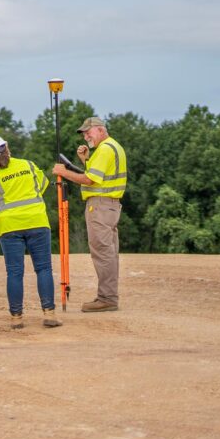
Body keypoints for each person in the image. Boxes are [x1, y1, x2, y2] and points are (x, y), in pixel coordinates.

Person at [0, 135, 61, 330]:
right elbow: (42, 186)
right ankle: (49, 314)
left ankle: (16, 318)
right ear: (7, 147)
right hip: (37, 222)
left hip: (9, 228)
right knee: (43, 268)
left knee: (14, 272)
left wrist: (2, 218)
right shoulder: (29, 165)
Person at [51, 116, 127, 312]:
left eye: (88, 132)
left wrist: (63, 171)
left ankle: (107, 298)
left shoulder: (104, 150)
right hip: (109, 206)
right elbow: (98, 175)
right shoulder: (112, 146)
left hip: (100, 207)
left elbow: (90, 180)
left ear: (101, 130)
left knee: (102, 253)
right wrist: (85, 160)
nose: (86, 136)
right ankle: (108, 296)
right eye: (84, 133)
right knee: (109, 253)